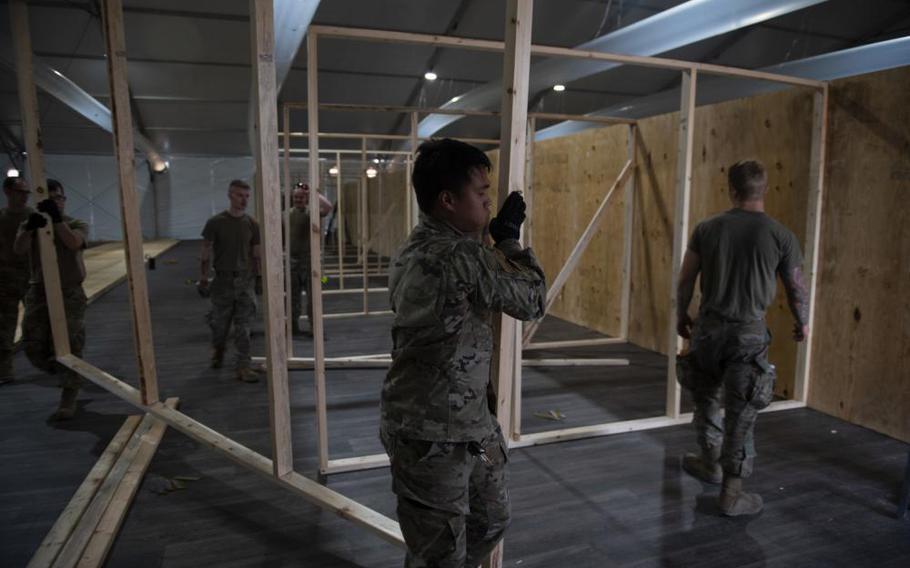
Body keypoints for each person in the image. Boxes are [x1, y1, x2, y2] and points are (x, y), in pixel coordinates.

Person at [380, 138, 547, 566]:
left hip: (470, 426)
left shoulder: (417, 246)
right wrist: (508, 240)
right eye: (482, 194)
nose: (491, 204)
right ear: (448, 201)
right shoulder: (458, 255)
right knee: (438, 554)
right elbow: (531, 301)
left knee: (491, 519)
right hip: (430, 437)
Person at [676, 159, 809, 516]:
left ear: (732, 191)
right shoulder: (781, 236)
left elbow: (686, 278)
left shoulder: (707, 228)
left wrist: (680, 315)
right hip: (748, 337)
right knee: (742, 412)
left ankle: (710, 464)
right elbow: (796, 287)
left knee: (705, 399)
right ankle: (731, 493)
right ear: (764, 190)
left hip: (708, 330)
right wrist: (803, 322)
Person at [14, 179, 89, 419]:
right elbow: (19, 249)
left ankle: (69, 393)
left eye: (60, 198)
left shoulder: (75, 223)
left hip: (69, 291)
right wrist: (28, 230)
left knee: (70, 342)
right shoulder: (31, 224)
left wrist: (56, 221)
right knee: (32, 344)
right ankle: (63, 371)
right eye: (52, 199)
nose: (57, 202)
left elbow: (74, 242)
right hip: (39, 290)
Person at [198, 180, 263, 383]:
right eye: (239, 195)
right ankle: (218, 349)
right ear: (230, 195)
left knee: (243, 327)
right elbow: (206, 251)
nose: (243, 200)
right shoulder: (215, 222)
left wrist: (259, 278)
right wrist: (203, 278)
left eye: (246, 196)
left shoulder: (252, 224)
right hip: (223, 281)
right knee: (219, 325)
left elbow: (256, 253)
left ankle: (243, 366)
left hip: (245, 281)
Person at [0, 176, 33, 384]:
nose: (24, 197)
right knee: (5, 326)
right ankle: (5, 369)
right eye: (20, 192)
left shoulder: (32, 216)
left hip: (31, 277)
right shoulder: (1, 218)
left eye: (26, 193)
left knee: (40, 322)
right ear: (8, 193)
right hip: (6, 278)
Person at [288, 182, 331, 336]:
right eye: (295, 197)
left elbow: (327, 207)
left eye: (301, 197)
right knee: (293, 297)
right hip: (292, 262)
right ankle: (292, 327)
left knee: (313, 298)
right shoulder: (286, 214)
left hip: (310, 261)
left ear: (305, 198)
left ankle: (315, 328)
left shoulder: (310, 213)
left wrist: (313, 192)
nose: (298, 200)